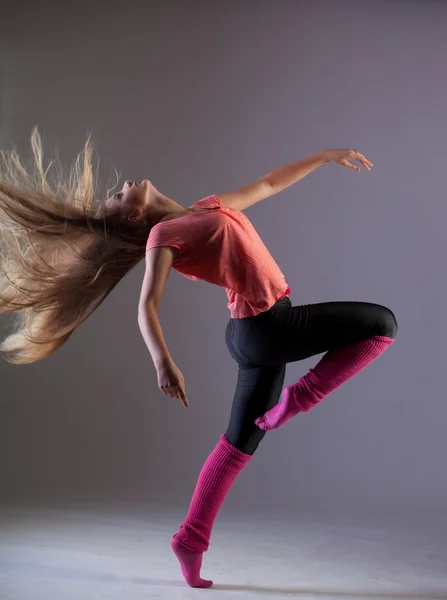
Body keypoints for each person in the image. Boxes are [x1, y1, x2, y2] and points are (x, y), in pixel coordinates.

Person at [0, 128, 397, 588]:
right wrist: (162, 362)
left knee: (235, 448)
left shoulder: (206, 207)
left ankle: (190, 540)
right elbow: (146, 306)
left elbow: (268, 184)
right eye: (118, 194)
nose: (123, 182)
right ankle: (301, 397)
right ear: (135, 212)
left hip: (252, 333)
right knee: (382, 323)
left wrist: (324, 156)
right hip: (270, 328)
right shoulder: (164, 235)